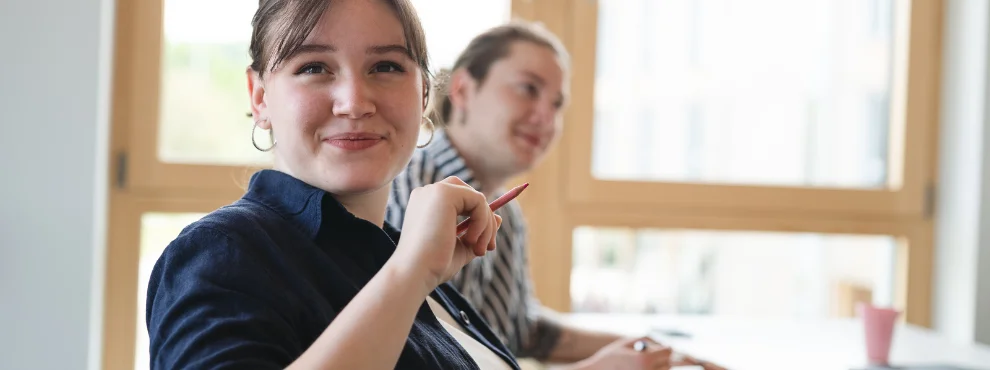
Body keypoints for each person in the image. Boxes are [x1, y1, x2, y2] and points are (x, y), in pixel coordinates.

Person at [143, 1, 683, 369]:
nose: (355, 101)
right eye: (313, 67)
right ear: (260, 98)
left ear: (425, 93)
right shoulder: (220, 253)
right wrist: (409, 273)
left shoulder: (404, 262)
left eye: (385, 66)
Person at [387, 22, 724, 370]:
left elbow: (523, 331)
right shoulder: (410, 186)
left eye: (558, 104)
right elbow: (418, 351)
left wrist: (655, 351)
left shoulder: (509, 213)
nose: (546, 117)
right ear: (462, 89)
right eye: (528, 89)